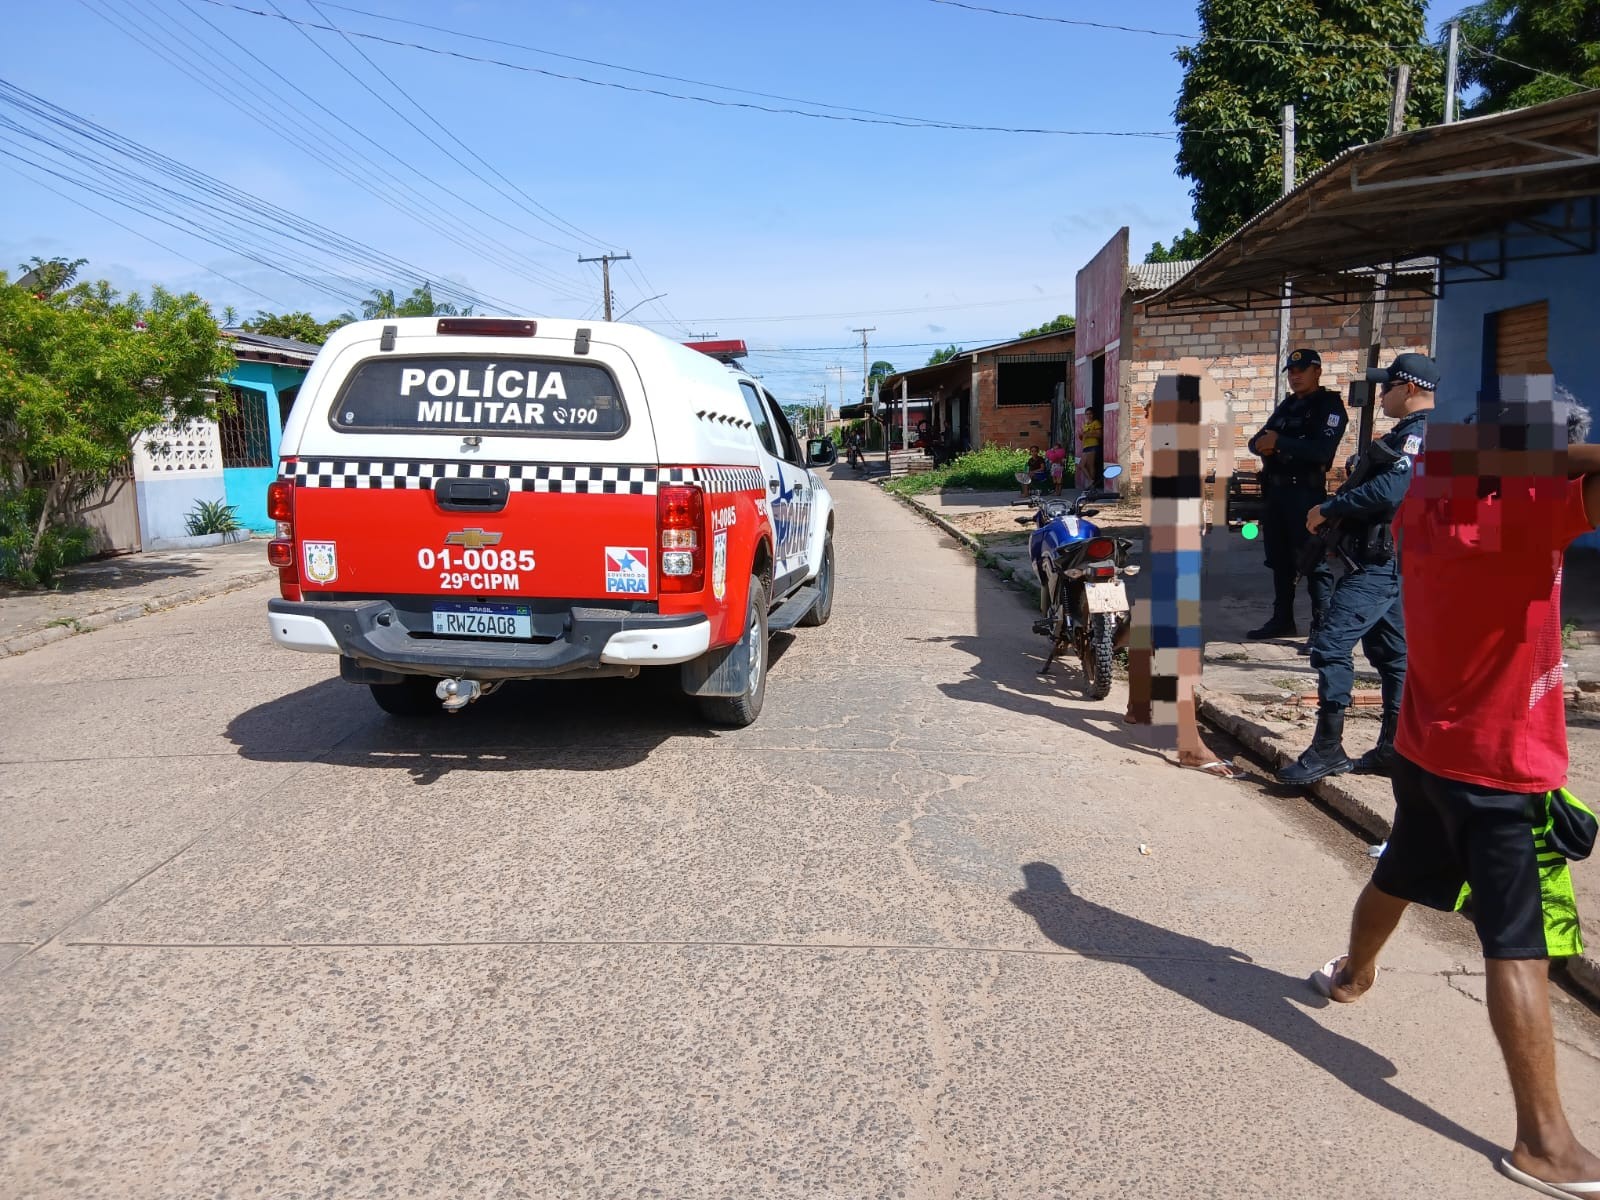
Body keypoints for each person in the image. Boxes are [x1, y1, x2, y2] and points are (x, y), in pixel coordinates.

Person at [1313, 382, 1600, 1199]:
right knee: (1520, 944)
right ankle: (1543, 1143)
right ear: (1543, 457)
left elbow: (1454, 461)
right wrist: (1542, 459)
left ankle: (1351, 977)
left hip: (1426, 746)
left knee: (1401, 871)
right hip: (1500, 763)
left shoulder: (1431, 495)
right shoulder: (1528, 516)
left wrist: (1490, 450)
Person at [1277, 353, 1435, 785]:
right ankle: (1393, 749)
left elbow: (1392, 490)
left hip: (1380, 564)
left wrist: (1330, 507)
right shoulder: (1410, 434)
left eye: (1388, 387)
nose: (1382, 394)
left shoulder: (1420, 435)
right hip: (1383, 560)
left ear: (1411, 389)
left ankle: (1327, 749)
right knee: (1393, 657)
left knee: (1329, 647)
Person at [1246, 348, 1347, 641]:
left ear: (1317, 371)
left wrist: (1279, 443)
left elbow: (1322, 450)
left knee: (1313, 559)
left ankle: (1322, 626)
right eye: (1291, 371)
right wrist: (1264, 444)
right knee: (1279, 559)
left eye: (1301, 370)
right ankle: (1282, 620)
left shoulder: (1329, 407)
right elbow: (1257, 441)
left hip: (1305, 493)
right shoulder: (1288, 406)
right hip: (1276, 493)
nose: (1295, 375)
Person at [1079, 410, 1103, 487]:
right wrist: (1081, 435)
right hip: (1085, 446)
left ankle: (1092, 484)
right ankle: (1091, 481)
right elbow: (1082, 437)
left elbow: (1100, 435)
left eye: (1090, 414)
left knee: (1090, 465)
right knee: (1081, 465)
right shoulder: (1085, 425)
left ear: (1093, 415)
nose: (1089, 415)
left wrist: (1089, 434)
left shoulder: (1096, 423)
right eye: (1087, 414)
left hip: (1093, 445)